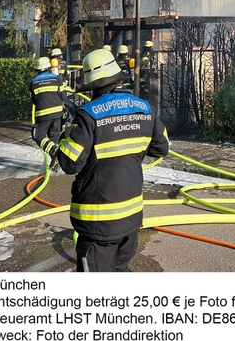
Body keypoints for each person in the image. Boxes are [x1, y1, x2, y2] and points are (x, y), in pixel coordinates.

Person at [39, 48, 169, 272]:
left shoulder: (88, 115)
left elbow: (70, 163)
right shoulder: (145, 108)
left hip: (98, 221)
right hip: (131, 218)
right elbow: (161, 147)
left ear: (94, 85)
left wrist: (58, 139)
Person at [30, 56, 64, 171]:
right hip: (58, 112)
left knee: (38, 136)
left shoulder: (33, 81)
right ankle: (56, 162)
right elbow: (64, 96)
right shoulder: (57, 78)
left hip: (43, 113)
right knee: (54, 136)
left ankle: (54, 152)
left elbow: (34, 100)